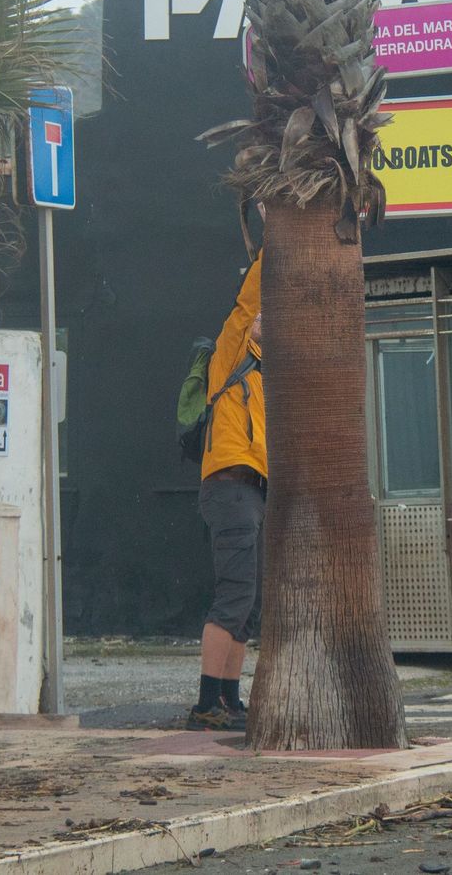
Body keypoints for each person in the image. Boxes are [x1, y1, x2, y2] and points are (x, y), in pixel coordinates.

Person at [186, 241, 268, 731]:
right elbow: (247, 304)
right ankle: (205, 702)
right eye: (261, 320)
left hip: (251, 488)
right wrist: (268, 247)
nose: (263, 322)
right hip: (230, 484)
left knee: (247, 599)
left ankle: (230, 700)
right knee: (234, 594)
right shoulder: (231, 352)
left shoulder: (260, 372)